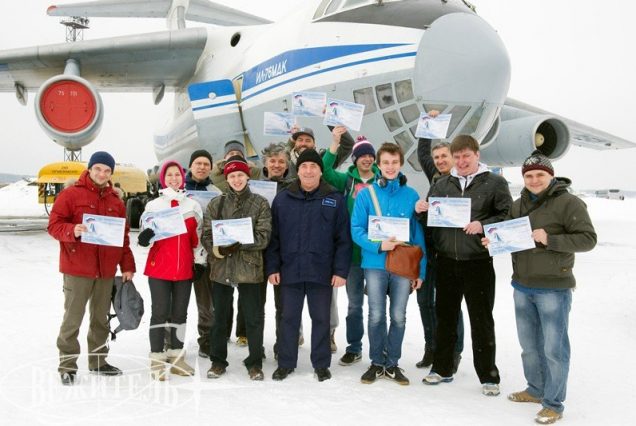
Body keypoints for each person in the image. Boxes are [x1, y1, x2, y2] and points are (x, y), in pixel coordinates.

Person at [482, 151, 596, 424]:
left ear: (551, 176)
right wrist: (494, 241)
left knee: (554, 349)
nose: (534, 180)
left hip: (554, 287)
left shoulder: (569, 203)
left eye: (539, 175)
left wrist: (551, 239)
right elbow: (509, 231)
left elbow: (588, 239)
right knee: (529, 346)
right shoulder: (519, 203)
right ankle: (535, 389)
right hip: (522, 285)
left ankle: (554, 403)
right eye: (529, 176)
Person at [421, 135, 512, 397]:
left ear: (476, 155)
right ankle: (442, 368)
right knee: (446, 318)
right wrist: (421, 208)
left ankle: (488, 375)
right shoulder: (442, 183)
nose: (461, 161)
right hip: (447, 261)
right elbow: (431, 218)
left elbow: (507, 215)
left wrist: (483, 225)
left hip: (478, 263)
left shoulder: (494, 183)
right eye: (457, 157)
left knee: (481, 320)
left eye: (466, 156)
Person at [48, 151, 136, 385]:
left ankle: (98, 361)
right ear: (89, 169)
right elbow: (54, 225)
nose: (102, 174)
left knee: (100, 319)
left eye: (107, 171)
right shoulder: (70, 195)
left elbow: (123, 239)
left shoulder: (116, 202)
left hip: (105, 271)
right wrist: (72, 231)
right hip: (77, 269)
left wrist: (127, 266)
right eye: (98, 169)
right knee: (72, 319)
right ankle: (67, 365)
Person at [266, 149, 352, 382]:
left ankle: (321, 364)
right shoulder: (283, 199)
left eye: (313, 166)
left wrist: (340, 271)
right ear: (298, 170)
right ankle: (286, 363)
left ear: (320, 171)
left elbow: (343, 239)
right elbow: (274, 239)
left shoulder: (334, 199)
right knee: (289, 318)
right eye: (304, 166)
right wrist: (272, 267)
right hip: (290, 271)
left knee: (322, 319)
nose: (308, 170)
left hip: (321, 272)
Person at [351, 142, 427, 386]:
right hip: (375, 262)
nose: (390, 167)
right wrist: (377, 246)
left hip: (403, 266)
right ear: (378, 165)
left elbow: (417, 237)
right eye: (386, 162)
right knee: (375, 315)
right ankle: (376, 361)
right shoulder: (366, 194)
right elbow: (356, 229)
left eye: (395, 162)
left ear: (400, 163)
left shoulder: (411, 195)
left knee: (398, 316)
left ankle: (392, 362)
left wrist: (420, 271)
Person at [202, 156, 272, 381]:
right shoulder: (216, 203)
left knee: (253, 317)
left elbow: (264, 237)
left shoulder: (260, 203)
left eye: (240, 175)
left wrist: (238, 242)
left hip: (250, 269)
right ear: (227, 179)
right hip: (222, 268)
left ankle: (254, 362)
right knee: (220, 316)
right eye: (232, 176)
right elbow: (206, 234)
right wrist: (217, 250)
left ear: (247, 176)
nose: (237, 179)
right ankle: (218, 361)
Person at [137, 160, 203, 380]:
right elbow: (144, 236)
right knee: (159, 313)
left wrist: (200, 261)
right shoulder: (154, 206)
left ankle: (177, 358)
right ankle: (157, 359)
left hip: (184, 268)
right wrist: (145, 237)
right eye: (170, 175)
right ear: (163, 178)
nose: (174, 179)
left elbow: (198, 239)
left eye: (177, 175)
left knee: (180, 314)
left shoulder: (192, 206)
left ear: (183, 178)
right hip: (159, 269)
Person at [322, 129, 380, 366]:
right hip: (354, 255)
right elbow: (325, 170)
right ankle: (354, 347)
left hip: (378, 253)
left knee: (378, 308)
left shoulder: (383, 180)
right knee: (355, 304)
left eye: (370, 156)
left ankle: (379, 350)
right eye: (362, 156)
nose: (367, 159)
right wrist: (335, 143)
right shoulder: (346, 180)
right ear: (355, 159)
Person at [415, 133, 465, 371]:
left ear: (453, 158)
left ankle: (454, 351)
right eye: (437, 157)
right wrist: (427, 125)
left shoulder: (463, 182)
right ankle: (431, 347)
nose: (440, 160)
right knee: (424, 301)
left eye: (444, 156)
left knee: (448, 304)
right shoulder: (434, 177)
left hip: (449, 252)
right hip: (429, 249)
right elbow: (422, 152)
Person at [184, 149, 224, 358]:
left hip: (206, 255)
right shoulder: (179, 190)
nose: (201, 167)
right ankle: (170, 340)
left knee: (206, 302)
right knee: (176, 302)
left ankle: (206, 340)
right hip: (181, 254)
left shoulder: (216, 192)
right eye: (197, 163)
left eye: (206, 164)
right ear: (191, 166)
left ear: (210, 167)